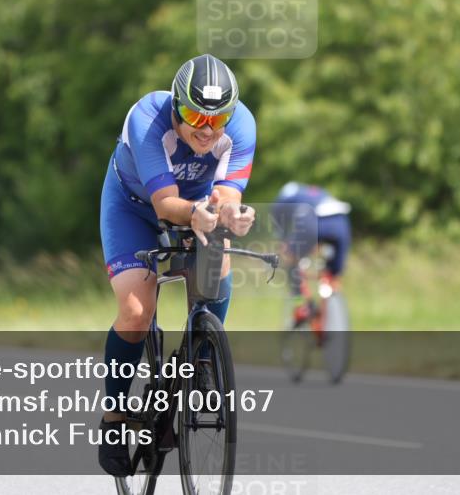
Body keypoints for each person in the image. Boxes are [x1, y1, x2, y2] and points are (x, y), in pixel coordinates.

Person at [97, 54, 257, 477]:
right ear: (175, 106)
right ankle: (113, 422)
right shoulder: (148, 118)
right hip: (134, 207)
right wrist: (199, 215)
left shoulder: (241, 126)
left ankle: (202, 354)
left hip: (197, 205)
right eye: (192, 115)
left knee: (216, 265)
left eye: (217, 119)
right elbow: (165, 204)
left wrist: (231, 216)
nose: (206, 130)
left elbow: (227, 198)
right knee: (135, 314)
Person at [270, 183, 351, 325]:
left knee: (291, 261)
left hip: (314, 221)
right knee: (333, 275)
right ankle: (333, 311)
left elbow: (278, 220)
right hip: (342, 222)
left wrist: (284, 243)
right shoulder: (319, 191)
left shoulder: (286, 195)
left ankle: (301, 305)